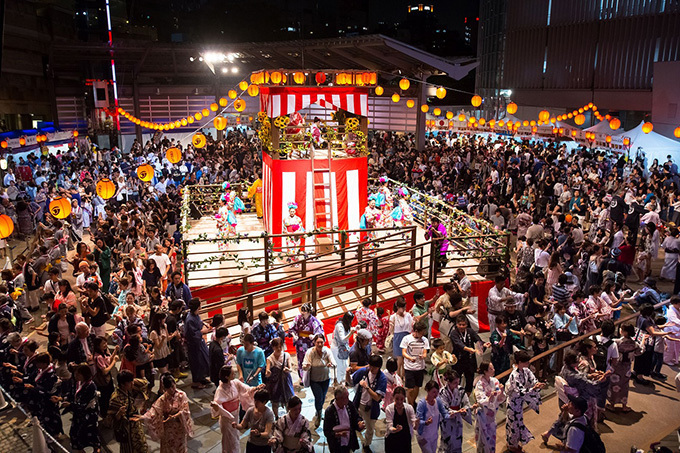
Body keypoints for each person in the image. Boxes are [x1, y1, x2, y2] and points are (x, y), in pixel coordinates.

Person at [211, 364, 265, 453]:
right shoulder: (220, 390)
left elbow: (246, 389)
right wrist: (216, 407)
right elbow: (217, 404)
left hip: (236, 414)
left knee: (235, 436)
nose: (235, 374)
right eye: (232, 373)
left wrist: (256, 388)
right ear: (226, 376)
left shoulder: (235, 382)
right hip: (227, 418)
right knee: (229, 439)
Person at [135, 373, 194, 453]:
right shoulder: (163, 399)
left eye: (173, 386)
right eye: (169, 388)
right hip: (168, 428)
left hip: (179, 427)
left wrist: (174, 416)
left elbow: (185, 410)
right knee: (168, 448)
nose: (172, 390)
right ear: (165, 388)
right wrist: (143, 417)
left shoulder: (181, 395)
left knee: (180, 447)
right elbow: (154, 410)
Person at [505, 350, 545, 452]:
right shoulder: (514, 375)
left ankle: (514, 443)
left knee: (518, 423)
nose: (528, 363)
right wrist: (533, 389)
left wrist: (538, 385)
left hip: (519, 402)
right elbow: (520, 391)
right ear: (519, 362)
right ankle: (512, 445)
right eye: (525, 362)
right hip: (513, 402)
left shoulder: (527, 371)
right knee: (514, 424)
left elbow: (533, 381)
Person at [61, 364, 101, 453]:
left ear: (84, 375)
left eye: (78, 374)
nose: (76, 376)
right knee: (75, 434)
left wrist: (70, 405)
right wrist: (61, 399)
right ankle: (80, 450)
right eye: (75, 374)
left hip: (89, 413)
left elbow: (83, 404)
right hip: (78, 413)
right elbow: (71, 394)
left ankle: (96, 449)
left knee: (92, 434)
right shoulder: (77, 383)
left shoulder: (91, 386)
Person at [350, 354, 386, 452]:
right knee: (352, 423)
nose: (370, 369)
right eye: (369, 366)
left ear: (378, 367)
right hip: (358, 404)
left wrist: (366, 387)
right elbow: (350, 382)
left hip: (371, 408)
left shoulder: (382, 378)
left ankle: (366, 445)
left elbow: (377, 398)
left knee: (370, 429)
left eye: (373, 367)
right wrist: (347, 374)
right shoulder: (364, 371)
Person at [107, 370, 149, 453]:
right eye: (130, 382)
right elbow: (111, 420)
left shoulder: (131, 389)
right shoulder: (115, 398)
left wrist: (131, 379)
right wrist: (119, 413)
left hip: (136, 425)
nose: (133, 383)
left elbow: (145, 383)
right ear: (122, 384)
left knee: (142, 447)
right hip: (126, 429)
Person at [302, 333, 336, 426]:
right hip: (315, 380)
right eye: (318, 342)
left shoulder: (327, 351)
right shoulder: (310, 352)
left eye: (321, 342)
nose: (320, 345)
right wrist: (307, 366)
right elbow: (304, 365)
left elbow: (333, 362)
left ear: (324, 342)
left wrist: (331, 364)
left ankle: (319, 409)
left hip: (325, 379)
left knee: (322, 397)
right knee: (318, 397)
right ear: (314, 343)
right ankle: (319, 414)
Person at [451, 315, 489, 394]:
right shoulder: (454, 333)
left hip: (469, 360)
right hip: (458, 360)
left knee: (470, 381)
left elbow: (478, 340)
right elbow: (458, 344)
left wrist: (483, 345)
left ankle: (466, 398)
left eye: (463, 324)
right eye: (460, 324)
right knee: (456, 380)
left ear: (467, 324)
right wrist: (468, 349)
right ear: (456, 324)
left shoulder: (470, 331)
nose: (461, 326)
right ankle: (455, 397)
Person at [439, 370, 475, 453]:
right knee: (446, 440)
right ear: (448, 382)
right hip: (447, 420)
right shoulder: (442, 392)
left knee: (458, 440)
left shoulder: (461, 390)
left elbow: (466, 403)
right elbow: (444, 407)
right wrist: (455, 412)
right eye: (455, 383)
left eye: (458, 382)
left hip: (457, 419)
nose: (457, 385)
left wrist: (464, 409)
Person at [608, 323, 641, 412]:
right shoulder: (634, 344)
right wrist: (632, 355)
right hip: (627, 367)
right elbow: (640, 351)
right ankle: (624, 405)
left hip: (616, 366)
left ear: (624, 332)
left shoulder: (616, 342)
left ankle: (612, 405)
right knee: (625, 386)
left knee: (614, 385)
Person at [473, 361, 505, 453]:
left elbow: (500, 398)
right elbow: (481, 400)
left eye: (493, 368)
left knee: (491, 437)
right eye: (491, 369)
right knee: (482, 438)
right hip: (482, 414)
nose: (493, 370)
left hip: (492, 415)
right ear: (485, 371)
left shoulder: (495, 381)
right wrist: (490, 397)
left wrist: (501, 391)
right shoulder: (479, 384)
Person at [323, 386, 366, 453]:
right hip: (336, 445)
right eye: (346, 397)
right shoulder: (329, 412)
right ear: (339, 398)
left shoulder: (349, 405)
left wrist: (359, 422)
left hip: (349, 441)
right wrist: (337, 434)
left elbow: (356, 417)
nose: (348, 399)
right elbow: (326, 431)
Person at [32, 352, 64, 439]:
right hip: (43, 399)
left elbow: (48, 389)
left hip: (50, 398)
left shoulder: (50, 374)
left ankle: (55, 434)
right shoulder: (43, 370)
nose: (37, 365)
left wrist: (35, 389)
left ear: (44, 364)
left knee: (52, 417)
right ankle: (49, 431)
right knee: (45, 416)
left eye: (38, 363)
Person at [234, 389, 276, 453]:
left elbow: (267, 433)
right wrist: (236, 425)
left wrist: (259, 434)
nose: (255, 403)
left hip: (264, 445)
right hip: (252, 443)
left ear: (264, 402)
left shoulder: (269, 414)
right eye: (255, 400)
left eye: (258, 401)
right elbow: (242, 425)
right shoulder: (250, 410)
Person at [289, 303, 324, 379]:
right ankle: (302, 377)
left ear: (309, 312)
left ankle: (311, 375)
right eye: (302, 311)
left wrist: (314, 336)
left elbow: (319, 332)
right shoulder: (298, 318)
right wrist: (294, 335)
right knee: (300, 359)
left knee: (310, 359)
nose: (302, 313)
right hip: (300, 342)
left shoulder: (314, 320)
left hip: (310, 343)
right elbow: (292, 328)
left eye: (304, 311)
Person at [401, 320, 430, 407]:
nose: (423, 334)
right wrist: (410, 358)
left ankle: (412, 403)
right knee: (410, 389)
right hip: (409, 367)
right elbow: (403, 352)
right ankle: (410, 405)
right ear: (416, 331)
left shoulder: (425, 340)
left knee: (417, 387)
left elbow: (425, 352)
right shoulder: (406, 339)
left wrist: (423, 356)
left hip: (420, 367)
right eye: (422, 332)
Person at [184, 297, 212, 389]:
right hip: (194, 345)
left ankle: (201, 377)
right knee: (197, 363)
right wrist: (202, 332)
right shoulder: (190, 319)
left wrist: (204, 324)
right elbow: (191, 334)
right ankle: (196, 381)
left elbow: (199, 323)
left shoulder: (194, 315)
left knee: (204, 361)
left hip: (200, 342)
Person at [415, 380, 450, 453]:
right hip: (423, 436)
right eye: (433, 392)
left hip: (434, 435)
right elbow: (418, 420)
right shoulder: (422, 404)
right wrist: (426, 422)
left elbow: (444, 413)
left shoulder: (438, 401)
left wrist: (452, 415)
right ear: (427, 391)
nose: (436, 394)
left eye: (437, 392)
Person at [266, 337, 294, 420]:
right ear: (273, 347)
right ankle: (277, 417)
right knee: (275, 401)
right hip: (275, 382)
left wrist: (288, 370)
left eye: (280, 346)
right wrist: (268, 372)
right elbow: (267, 370)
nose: (278, 349)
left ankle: (289, 416)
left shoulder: (286, 355)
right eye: (276, 347)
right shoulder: (270, 358)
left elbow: (291, 368)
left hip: (286, 381)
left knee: (288, 400)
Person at [384, 386, 418, 453]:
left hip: (405, 440)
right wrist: (395, 430)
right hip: (392, 440)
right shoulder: (389, 409)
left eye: (401, 399)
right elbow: (389, 426)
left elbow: (414, 423)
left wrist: (416, 424)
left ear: (404, 398)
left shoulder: (409, 408)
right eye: (397, 399)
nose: (399, 402)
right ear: (393, 397)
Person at [389, 297, 413, 377]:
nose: (404, 309)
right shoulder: (393, 316)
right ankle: (399, 374)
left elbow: (411, 326)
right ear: (398, 307)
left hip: (406, 336)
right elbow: (391, 330)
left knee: (405, 357)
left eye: (404, 307)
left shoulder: (408, 315)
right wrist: (391, 325)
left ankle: (404, 374)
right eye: (402, 307)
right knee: (399, 358)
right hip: (398, 337)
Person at [331, 311, 356, 384]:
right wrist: (351, 333)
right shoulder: (339, 325)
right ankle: (339, 382)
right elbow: (342, 339)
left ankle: (345, 380)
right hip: (337, 348)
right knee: (339, 366)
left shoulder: (346, 324)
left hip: (344, 347)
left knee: (345, 365)